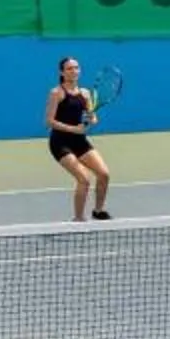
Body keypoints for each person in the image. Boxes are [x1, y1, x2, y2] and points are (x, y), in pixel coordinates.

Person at [45, 55, 112, 221]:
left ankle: (98, 210)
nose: (73, 71)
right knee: (84, 179)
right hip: (60, 143)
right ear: (62, 72)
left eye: (76, 68)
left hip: (79, 141)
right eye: (69, 68)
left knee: (104, 174)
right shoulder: (57, 93)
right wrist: (73, 129)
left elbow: (92, 117)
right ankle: (79, 219)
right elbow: (49, 121)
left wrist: (91, 119)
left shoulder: (86, 93)